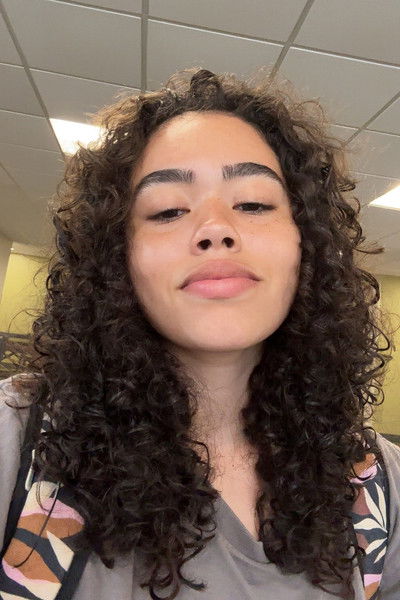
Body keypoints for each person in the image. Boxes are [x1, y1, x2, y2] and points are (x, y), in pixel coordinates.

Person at [0, 67, 399, 600]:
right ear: (119, 258)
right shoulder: (16, 442)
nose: (215, 229)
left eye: (253, 203)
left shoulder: (377, 480)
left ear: (306, 245)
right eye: (167, 210)